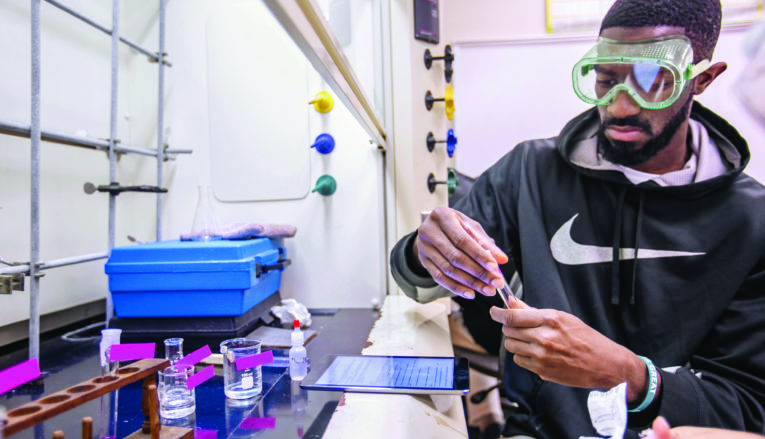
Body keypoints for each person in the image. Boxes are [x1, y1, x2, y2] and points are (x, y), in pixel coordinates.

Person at [389, 0, 765, 437]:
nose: (620, 107)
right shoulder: (530, 171)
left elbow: (749, 408)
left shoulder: (751, 221)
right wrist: (425, 251)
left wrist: (630, 377)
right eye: (605, 81)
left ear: (702, 79)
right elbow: (417, 283)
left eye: (651, 84)